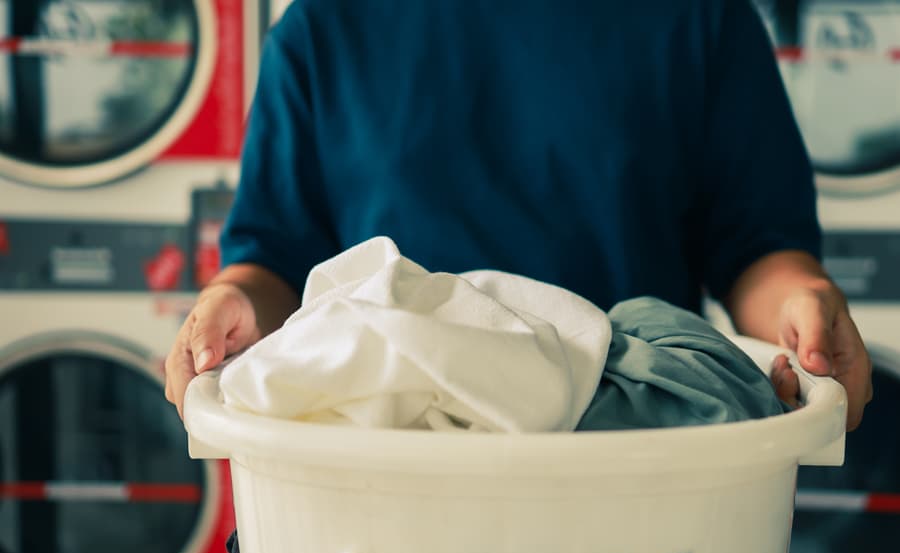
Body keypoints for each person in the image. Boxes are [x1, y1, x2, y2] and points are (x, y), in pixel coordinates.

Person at [165, 0, 871, 429]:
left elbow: (757, 251)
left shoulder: (697, 17)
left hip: (633, 445)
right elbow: (276, 264)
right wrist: (232, 303)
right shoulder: (325, 30)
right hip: (385, 460)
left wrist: (803, 305)